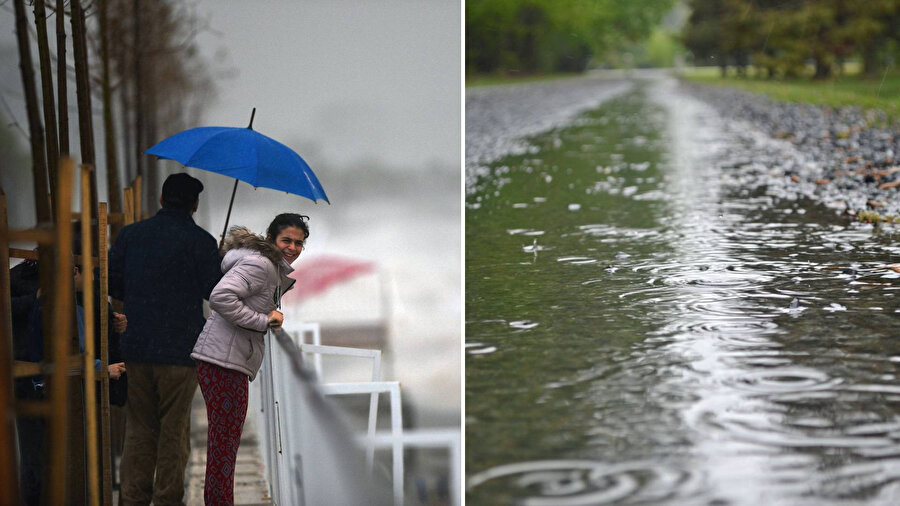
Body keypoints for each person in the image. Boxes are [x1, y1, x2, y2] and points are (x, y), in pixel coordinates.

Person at [109, 173, 223, 506]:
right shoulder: (200, 241)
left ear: (161, 199)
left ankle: (133, 498)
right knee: (174, 430)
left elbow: (113, 284)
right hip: (180, 351)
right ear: (195, 205)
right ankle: (167, 499)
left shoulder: (131, 235)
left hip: (136, 347)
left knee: (139, 428)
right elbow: (214, 292)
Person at [191, 213, 308, 505]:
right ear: (271, 238)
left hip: (224, 360)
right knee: (224, 447)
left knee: (224, 446)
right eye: (286, 240)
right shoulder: (261, 265)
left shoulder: (267, 266)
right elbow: (220, 297)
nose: (293, 248)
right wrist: (263, 320)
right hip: (223, 362)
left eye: (299, 243)